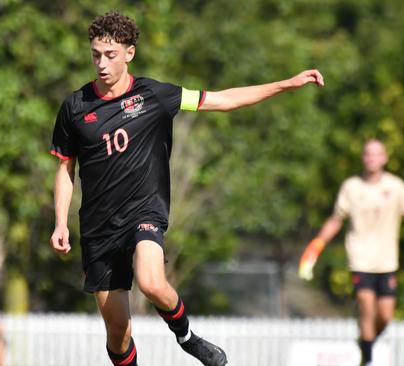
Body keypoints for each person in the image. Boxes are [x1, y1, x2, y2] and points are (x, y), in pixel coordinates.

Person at [50, 11, 324, 366]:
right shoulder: (75, 107)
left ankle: (187, 337)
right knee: (118, 334)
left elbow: (223, 100)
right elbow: (64, 168)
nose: (102, 63)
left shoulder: (156, 96)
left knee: (151, 282)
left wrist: (286, 84)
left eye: (111, 55)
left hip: (143, 213)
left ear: (129, 53)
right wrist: (60, 222)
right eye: (96, 54)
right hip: (98, 228)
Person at [298, 139, 404, 366]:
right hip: (360, 260)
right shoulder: (351, 187)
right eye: (367, 154)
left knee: (385, 316)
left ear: (384, 158)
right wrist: (315, 248)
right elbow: (335, 220)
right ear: (363, 158)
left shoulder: (396, 186)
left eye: (376, 154)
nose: (372, 158)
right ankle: (369, 360)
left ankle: (365, 343)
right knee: (365, 304)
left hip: (387, 262)